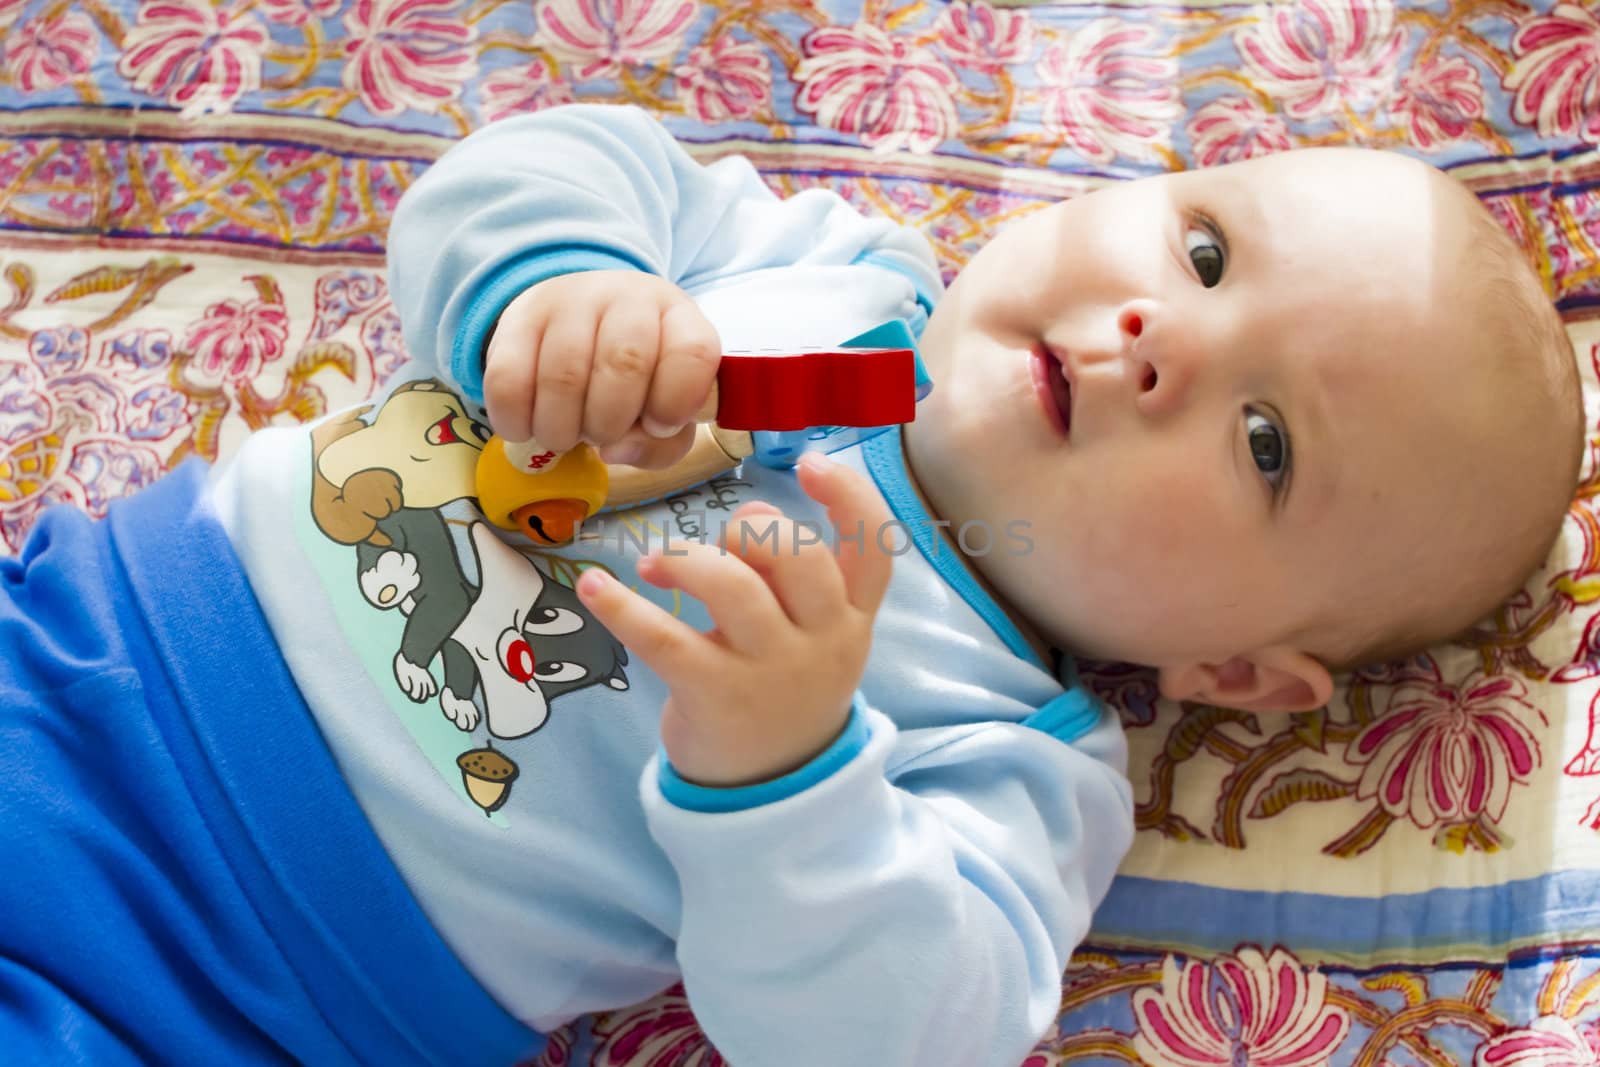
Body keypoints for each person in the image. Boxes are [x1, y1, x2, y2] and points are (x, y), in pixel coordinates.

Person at [0, 102, 1580, 1067]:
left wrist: (788, 775)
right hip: (68, 644)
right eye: (1211, 254)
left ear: (1240, 671)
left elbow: (895, 1037)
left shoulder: (1016, 758)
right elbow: (551, 162)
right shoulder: (826, 269)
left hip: (220, 990)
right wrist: (560, 286)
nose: (1162, 337)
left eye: (1263, 443)